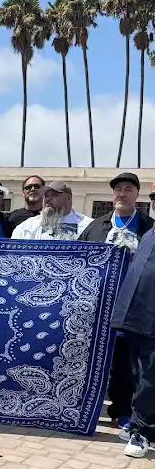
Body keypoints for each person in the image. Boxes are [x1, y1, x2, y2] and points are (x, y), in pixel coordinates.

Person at [79, 172, 153, 431]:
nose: (122, 194)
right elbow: (80, 258)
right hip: (96, 304)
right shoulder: (96, 226)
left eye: (128, 189)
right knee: (91, 357)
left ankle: (122, 409)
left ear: (137, 195)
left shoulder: (147, 226)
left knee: (124, 360)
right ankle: (86, 405)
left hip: (132, 304)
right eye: (118, 189)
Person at [111, 227, 155, 458]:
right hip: (135, 314)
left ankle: (142, 432)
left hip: (152, 318)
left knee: (150, 374)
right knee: (137, 372)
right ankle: (141, 424)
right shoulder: (150, 233)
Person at [12, 181, 93, 240]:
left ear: (68, 199)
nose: (48, 199)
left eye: (54, 195)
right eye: (46, 196)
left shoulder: (88, 226)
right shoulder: (27, 227)